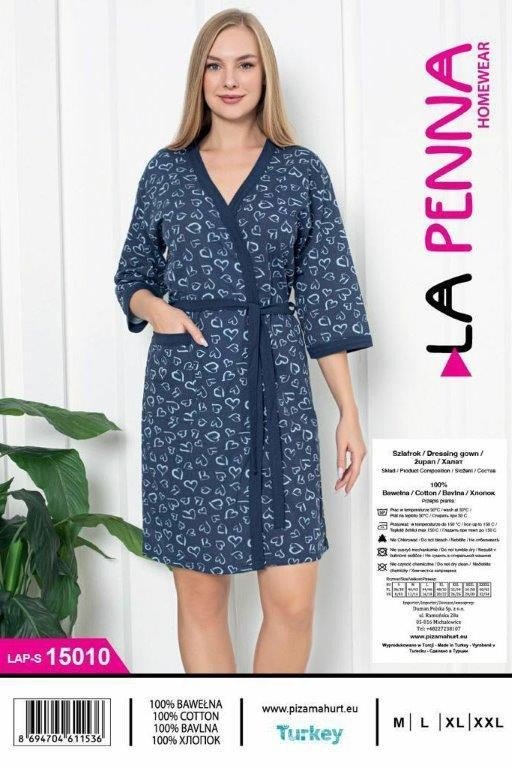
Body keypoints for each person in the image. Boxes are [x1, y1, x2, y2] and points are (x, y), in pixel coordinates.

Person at [113, 8, 373, 673]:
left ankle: (263, 729)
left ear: (266, 76)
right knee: (202, 597)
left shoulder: (300, 171)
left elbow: (326, 295)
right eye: (215, 65)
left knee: (292, 601)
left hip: (275, 387)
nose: (230, 80)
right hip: (188, 391)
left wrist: (348, 411)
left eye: (245, 64)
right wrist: (157, 311)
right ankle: (225, 730)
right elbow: (132, 276)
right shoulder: (166, 171)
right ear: (199, 78)